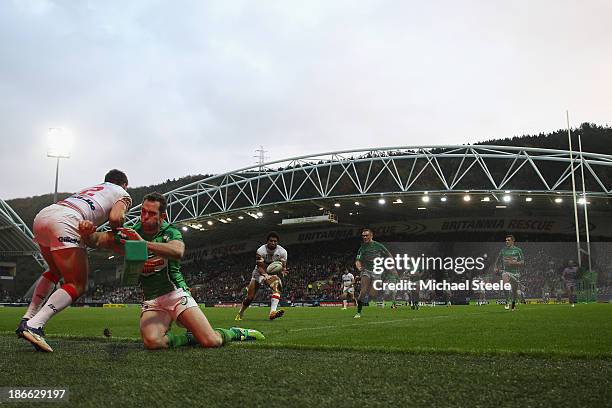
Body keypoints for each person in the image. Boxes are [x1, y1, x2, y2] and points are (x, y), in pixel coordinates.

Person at [79, 192, 263, 349]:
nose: (144, 217)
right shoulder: (130, 232)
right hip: (152, 300)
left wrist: (143, 244)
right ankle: (189, 338)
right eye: (143, 211)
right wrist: (87, 233)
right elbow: (97, 240)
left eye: (151, 213)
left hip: (175, 294)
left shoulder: (170, 232)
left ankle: (233, 332)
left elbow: (178, 251)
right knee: (153, 342)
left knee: (211, 341)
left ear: (162, 217)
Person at [17, 169, 132, 352]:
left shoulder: (95, 188)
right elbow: (116, 218)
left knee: (54, 271)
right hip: (67, 220)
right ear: (125, 185)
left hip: (45, 215)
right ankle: (35, 325)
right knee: (77, 284)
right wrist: (119, 233)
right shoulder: (123, 194)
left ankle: (27, 319)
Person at [235, 232, 288, 321]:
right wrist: (265, 275)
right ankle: (240, 313)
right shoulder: (261, 250)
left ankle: (272, 312)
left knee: (277, 288)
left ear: (277, 242)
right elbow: (260, 267)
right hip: (258, 273)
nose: (273, 243)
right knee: (250, 298)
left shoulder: (283, 252)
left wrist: (282, 270)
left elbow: (283, 266)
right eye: (271, 241)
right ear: (267, 241)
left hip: (271, 273)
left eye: (275, 241)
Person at [354, 228, 394, 318]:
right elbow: (357, 260)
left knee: (372, 294)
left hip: (377, 272)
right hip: (366, 271)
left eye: (366, 235)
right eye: (363, 235)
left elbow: (388, 255)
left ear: (371, 236)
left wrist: (390, 265)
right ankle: (358, 312)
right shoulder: (362, 248)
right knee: (363, 291)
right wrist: (359, 266)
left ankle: (373, 296)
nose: (364, 237)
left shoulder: (378, 246)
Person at [494, 234, 524, 311]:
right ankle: (507, 301)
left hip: (516, 273)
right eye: (506, 240)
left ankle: (513, 304)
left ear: (513, 241)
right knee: (505, 281)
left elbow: (522, 262)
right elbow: (498, 259)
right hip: (506, 271)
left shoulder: (518, 250)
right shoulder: (503, 250)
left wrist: (514, 263)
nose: (506, 241)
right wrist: (496, 267)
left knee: (514, 291)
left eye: (508, 240)